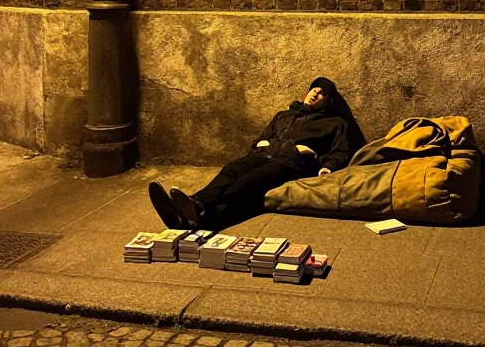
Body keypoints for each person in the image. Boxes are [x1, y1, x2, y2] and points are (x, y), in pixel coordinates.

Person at [148, 76, 364, 231]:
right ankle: (194, 208)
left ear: (329, 102)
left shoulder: (335, 123)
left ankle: (195, 206)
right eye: (314, 90)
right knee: (232, 169)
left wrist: (323, 162)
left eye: (322, 94)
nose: (315, 95)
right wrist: (259, 145)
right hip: (263, 154)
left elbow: (343, 150)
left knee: (250, 181)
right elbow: (263, 136)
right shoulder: (284, 115)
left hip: (291, 161)